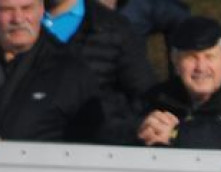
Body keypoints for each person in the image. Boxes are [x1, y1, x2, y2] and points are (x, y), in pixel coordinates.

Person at [136, 16, 221, 150]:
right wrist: (142, 130)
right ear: (176, 62)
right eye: (191, 57)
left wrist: (177, 134)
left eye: (209, 57)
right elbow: (119, 127)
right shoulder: (155, 100)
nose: (200, 67)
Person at [42, 0, 156, 142]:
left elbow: (145, 95)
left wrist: (117, 129)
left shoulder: (114, 28)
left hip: (98, 149)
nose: (17, 16)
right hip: (25, 146)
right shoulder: (14, 23)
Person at [0, 0, 103, 141]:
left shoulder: (70, 71)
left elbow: (97, 136)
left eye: (26, 8)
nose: (17, 19)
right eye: (6, 10)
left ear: (42, 9)